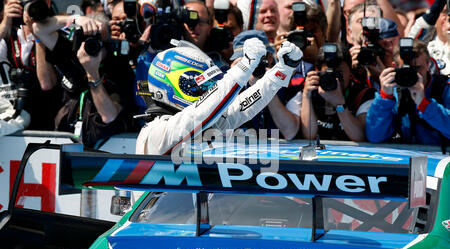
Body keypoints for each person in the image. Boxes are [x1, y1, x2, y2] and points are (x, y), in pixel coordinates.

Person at [135, 38, 303, 155]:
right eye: (203, 87)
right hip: (161, 208)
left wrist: (282, 70)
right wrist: (245, 65)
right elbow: (200, 113)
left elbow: (241, 108)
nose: (208, 92)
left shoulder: (196, 126)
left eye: (211, 87)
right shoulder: (156, 132)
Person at [30, 12, 138, 148]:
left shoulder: (118, 68)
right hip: (65, 143)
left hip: (103, 151)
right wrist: (74, 19)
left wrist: (92, 73)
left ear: (108, 41)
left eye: (99, 41)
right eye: (86, 39)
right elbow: (38, 29)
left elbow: (109, 116)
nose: (91, 46)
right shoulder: (72, 54)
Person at [365, 40, 450, 146]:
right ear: (394, 67)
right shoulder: (392, 92)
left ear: (428, 64)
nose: (413, 74)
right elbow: (375, 136)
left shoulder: (444, 88)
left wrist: (425, 105)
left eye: (418, 68)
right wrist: (385, 98)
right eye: (406, 69)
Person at [0, 0, 61, 131]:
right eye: (26, 2)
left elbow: (47, 83)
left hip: (47, 118)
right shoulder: (8, 34)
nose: (30, 9)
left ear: (47, 3)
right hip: (12, 111)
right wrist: (4, 24)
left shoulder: (56, 33)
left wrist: (38, 36)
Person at [230, 30, 301, 140]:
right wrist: (233, 83)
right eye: (244, 61)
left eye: (254, 61)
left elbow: (290, 132)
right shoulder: (224, 80)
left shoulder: (287, 80)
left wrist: (267, 86)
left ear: (270, 59)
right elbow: (219, 127)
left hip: (276, 153)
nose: (250, 66)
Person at [300, 43, 375, 142]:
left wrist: (339, 104)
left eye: (339, 73)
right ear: (317, 71)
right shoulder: (310, 89)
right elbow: (309, 135)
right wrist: (306, 96)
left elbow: (359, 136)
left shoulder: (363, 94)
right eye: (328, 72)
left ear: (350, 73)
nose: (334, 78)